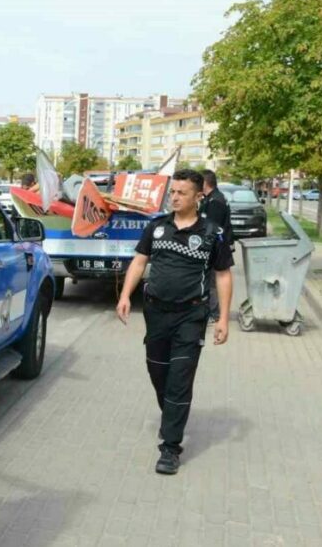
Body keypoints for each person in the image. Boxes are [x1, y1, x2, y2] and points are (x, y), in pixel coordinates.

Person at [115, 169, 233, 475]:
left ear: (198, 196)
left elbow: (222, 274)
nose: (175, 197)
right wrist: (125, 295)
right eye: (173, 192)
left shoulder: (211, 233)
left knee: (180, 379)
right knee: (158, 373)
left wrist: (223, 319)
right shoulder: (156, 227)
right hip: (156, 313)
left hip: (191, 315)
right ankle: (171, 417)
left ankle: (170, 448)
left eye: (182, 192)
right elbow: (140, 261)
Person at [199, 169, 232, 322]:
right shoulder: (210, 199)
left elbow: (213, 228)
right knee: (210, 280)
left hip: (215, 248)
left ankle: (213, 313)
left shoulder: (216, 201)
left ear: (205, 183)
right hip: (212, 247)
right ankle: (211, 310)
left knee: (213, 281)